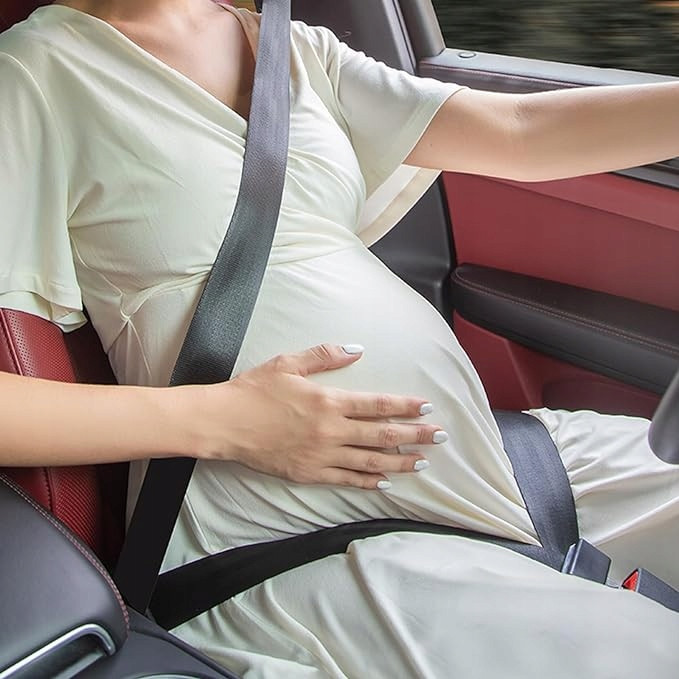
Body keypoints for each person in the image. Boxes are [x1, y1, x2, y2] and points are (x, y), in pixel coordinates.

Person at [1, 1, 678, 676]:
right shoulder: (35, 71)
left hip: (487, 468)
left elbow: (518, 132)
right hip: (286, 534)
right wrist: (226, 421)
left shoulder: (292, 48)